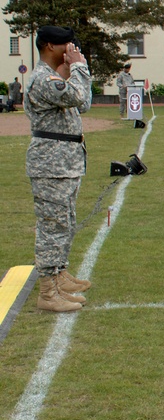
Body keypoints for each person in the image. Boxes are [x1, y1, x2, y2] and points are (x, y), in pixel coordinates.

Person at [25, 26, 93, 312]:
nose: (72, 48)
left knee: (64, 222)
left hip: (64, 161)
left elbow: (84, 103)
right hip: (51, 163)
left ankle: (59, 276)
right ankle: (47, 292)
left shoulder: (55, 78)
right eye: (67, 44)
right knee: (52, 227)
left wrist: (72, 70)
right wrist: (79, 67)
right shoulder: (42, 79)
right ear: (51, 46)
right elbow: (78, 96)